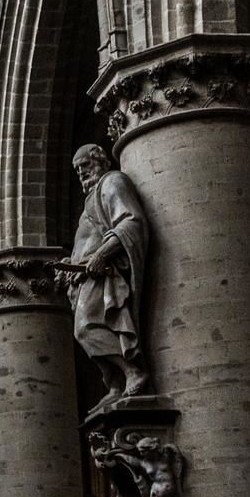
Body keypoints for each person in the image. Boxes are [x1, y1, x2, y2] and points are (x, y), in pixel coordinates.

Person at [61, 144, 151, 412]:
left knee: (87, 328)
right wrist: (71, 263)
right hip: (85, 277)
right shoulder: (89, 200)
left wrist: (102, 254)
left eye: (85, 166)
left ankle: (133, 371)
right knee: (84, 330)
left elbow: (130, 222)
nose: (81, 174)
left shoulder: (112, 183)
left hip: (104, 273)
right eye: (77, 170)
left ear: (100, 161)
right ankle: (115, 384)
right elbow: (86, 241)